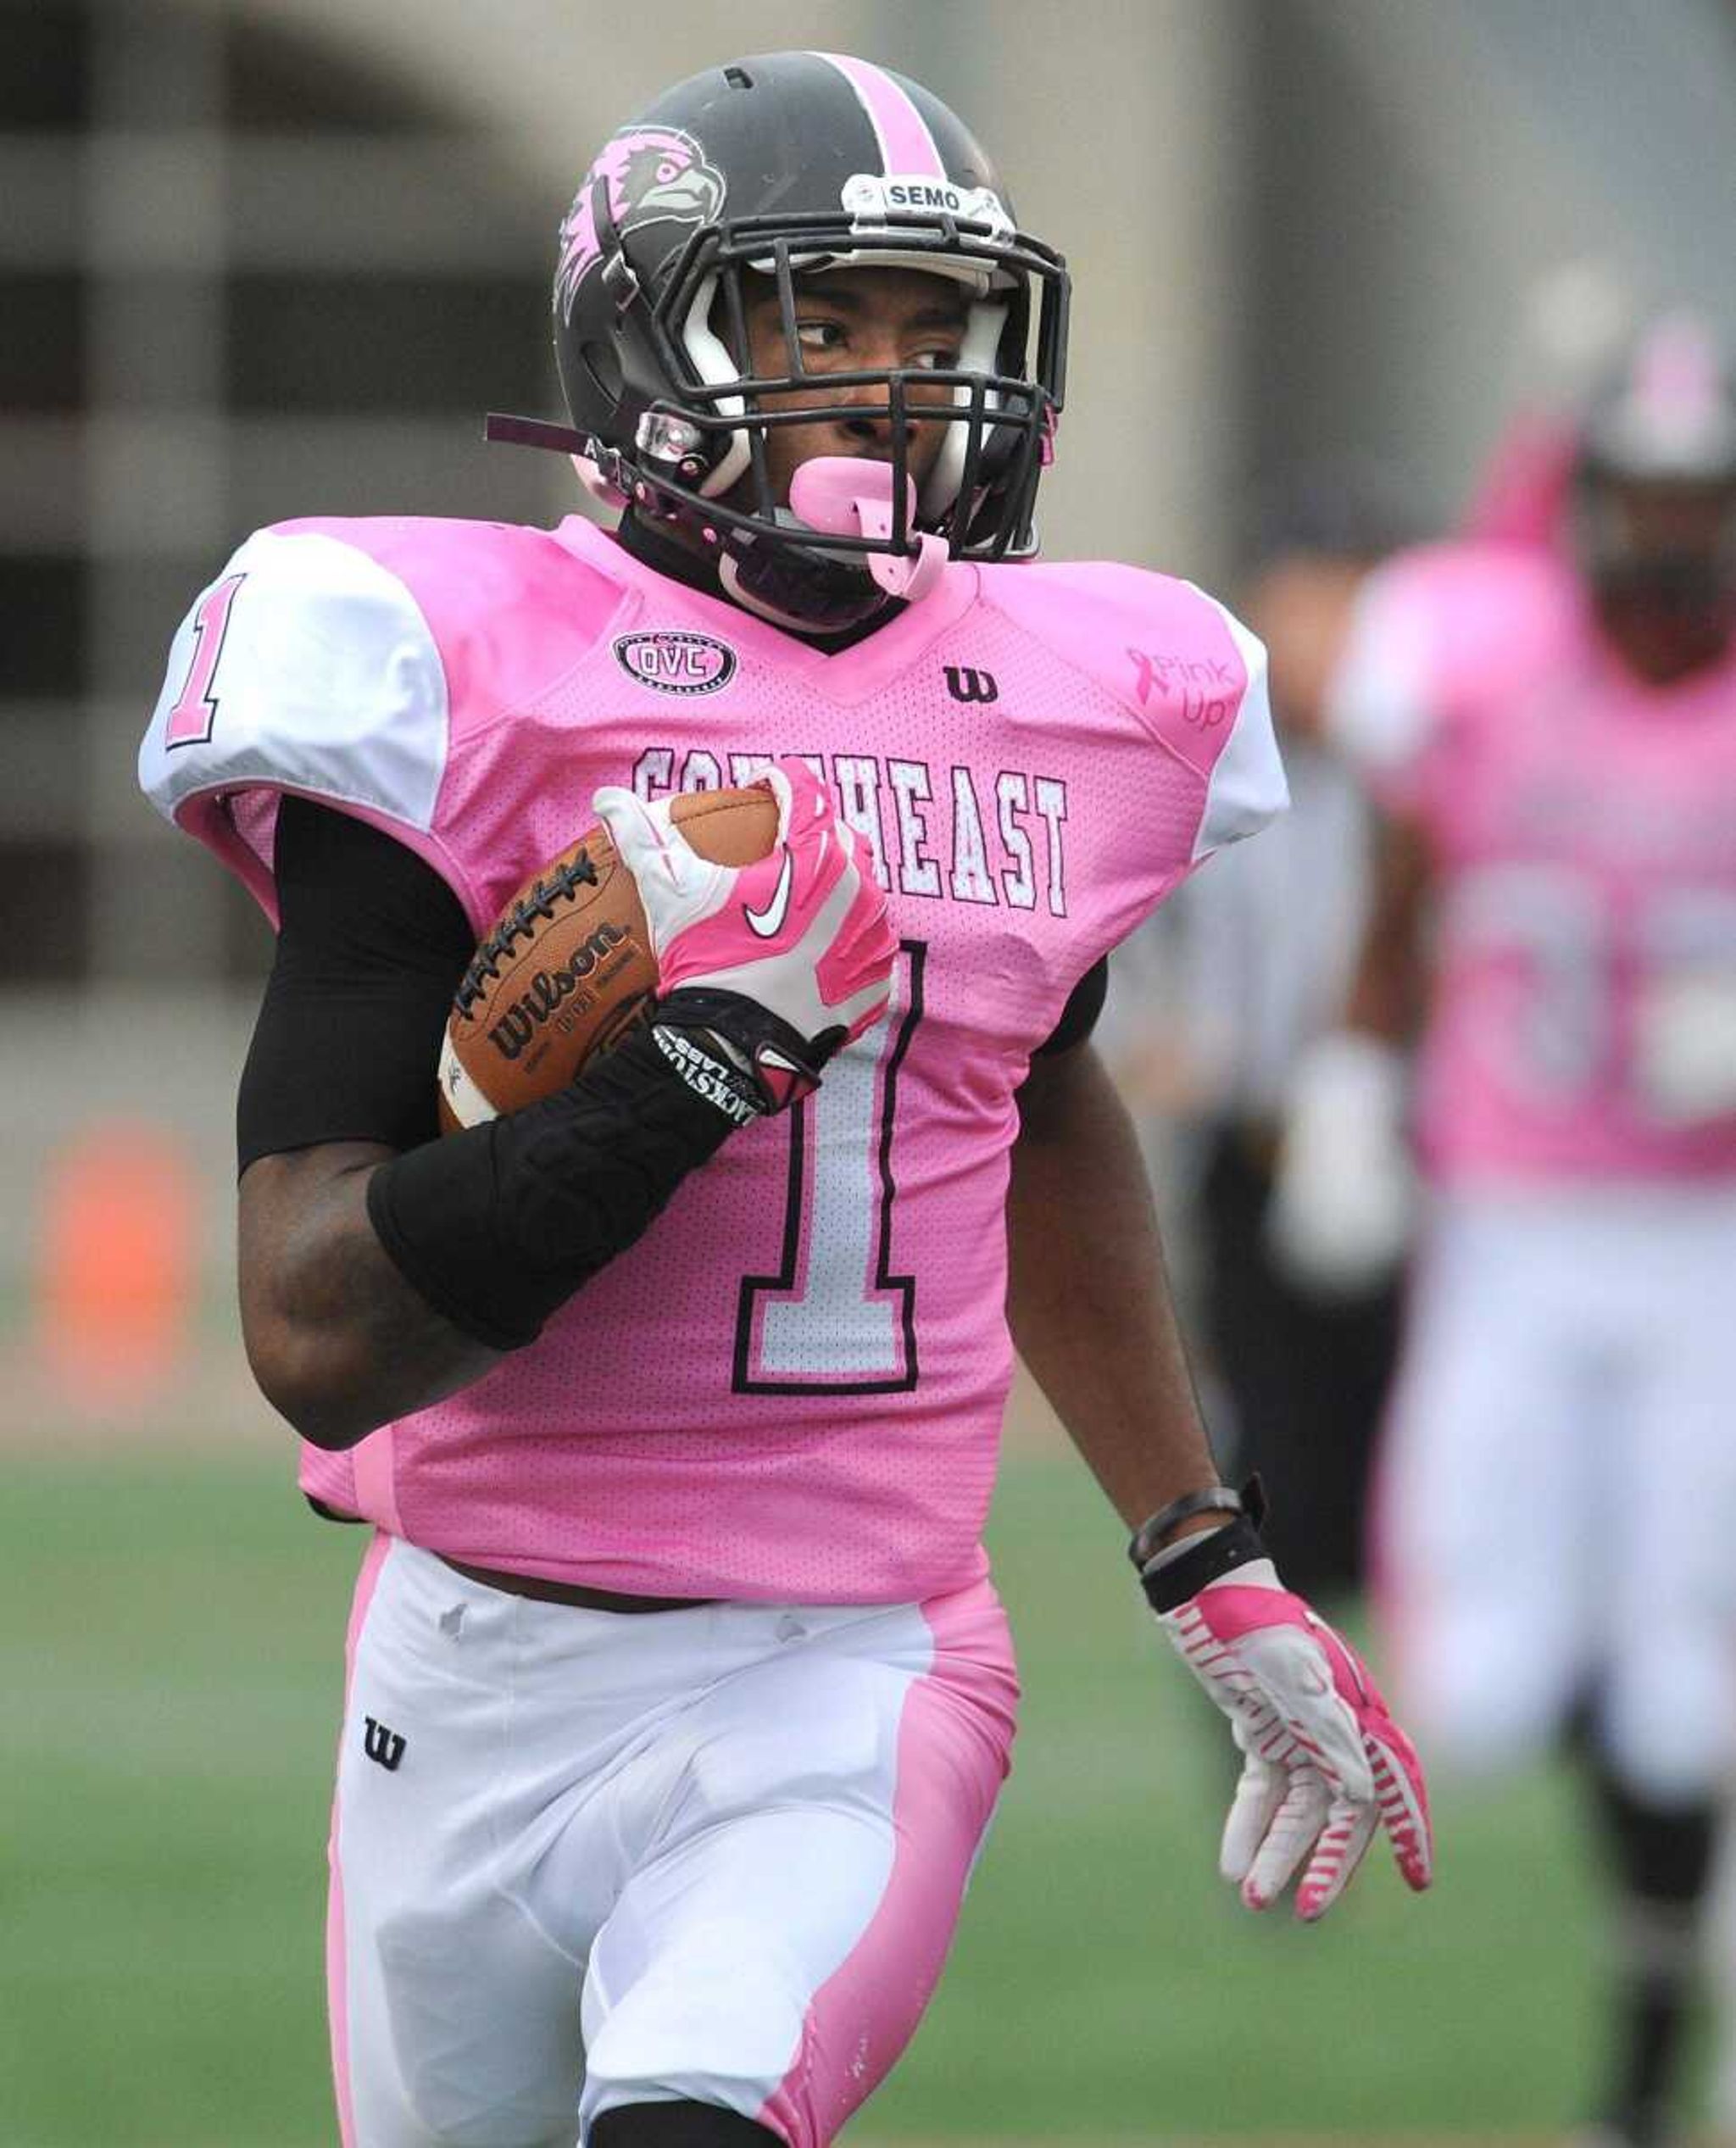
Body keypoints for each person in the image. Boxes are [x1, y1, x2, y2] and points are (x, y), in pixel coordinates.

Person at [139, 53, 1429, 2148]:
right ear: (652, 337)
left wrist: (1203, 1547)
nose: (899, 392)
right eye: (828, 325)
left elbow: (1038, 1078)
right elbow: (315, 1335)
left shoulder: (1092, 687)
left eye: (941, 336)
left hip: (852, 1664)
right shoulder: (442, 657)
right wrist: (675, 1075)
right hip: (466, 1670)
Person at [1287, 312, 1736, 2148]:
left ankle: (1650, 2027)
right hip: (1511, 1225)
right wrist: (1347, 1081)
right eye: (1638, 494)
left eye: (1696, 498)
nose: (1663, 534)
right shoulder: (1487, 666)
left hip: (1708, 1244)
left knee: (1681, 1691)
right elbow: (1401, 905)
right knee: (1481, 1687)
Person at [1109, 468, 1418, 1602]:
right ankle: (1277, 1704)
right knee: (1262, 1462)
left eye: (1347, 608)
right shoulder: (1217, 764)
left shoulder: (1415, 770)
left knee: (1398, 1470)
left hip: (1403, 1152)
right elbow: (1121, 926)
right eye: (1303, 606)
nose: (1323, 638)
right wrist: (1155, 1040)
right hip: (1250, 1143)